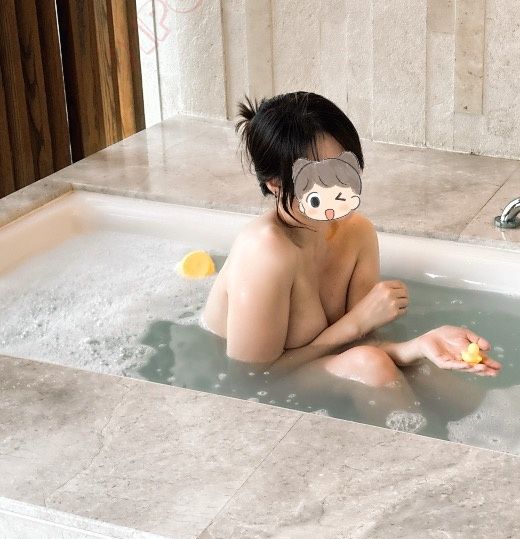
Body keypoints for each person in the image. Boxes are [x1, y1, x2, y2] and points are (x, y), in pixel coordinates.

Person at [202, 91, 501, 414]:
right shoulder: (264, 253)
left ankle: (501, 421)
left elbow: (366, 341)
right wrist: (355, 323)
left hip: (321, 369)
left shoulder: (357, 233)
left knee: (428, 371)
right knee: (368, 364)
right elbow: (247, 381)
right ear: (276, 184)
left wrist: (419, 346)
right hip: (256, 391)